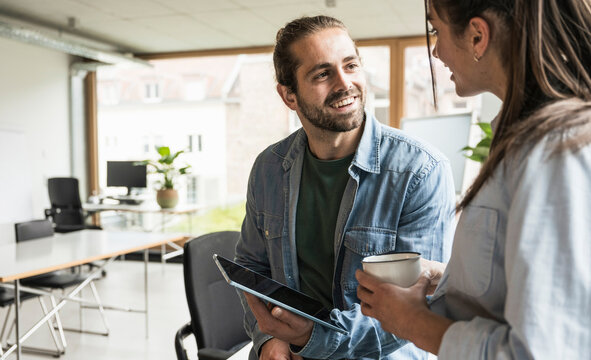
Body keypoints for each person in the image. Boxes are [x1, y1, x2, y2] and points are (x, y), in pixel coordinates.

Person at [356, 0, 591, 358]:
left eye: (437, 30)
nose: (437, 51)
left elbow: (541, 351)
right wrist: (449, 282)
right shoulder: (522, 140)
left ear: (478, 36)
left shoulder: (554, 150)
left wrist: (411, 321)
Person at [234, 15, 456, 360]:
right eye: (322, 74)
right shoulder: (269, 168)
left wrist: (312, 338)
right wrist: (269, 338)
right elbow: (252, 268)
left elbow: (417, 308)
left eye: (350, 65)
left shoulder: (421, 171)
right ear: (288, 95)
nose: (344, 83)